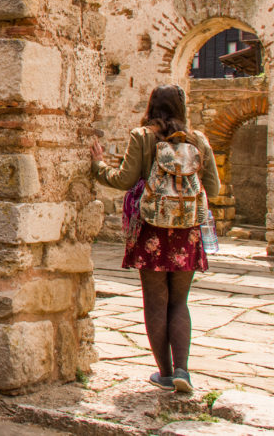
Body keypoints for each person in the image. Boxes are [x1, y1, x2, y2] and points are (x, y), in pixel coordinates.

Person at [89, 84, 219, 394]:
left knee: (156, 303)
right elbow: (211, 190)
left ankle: (164, 373)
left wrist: (98, 165)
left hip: (151, 231)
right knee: (179, 303)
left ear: (151, 106)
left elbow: (123, 179)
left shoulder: (143, 137)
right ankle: (183, 372)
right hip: (187, 230)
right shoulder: (197, 140)